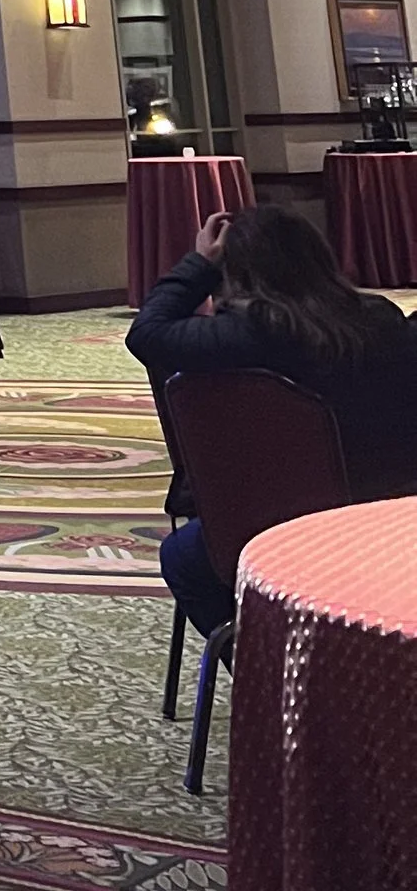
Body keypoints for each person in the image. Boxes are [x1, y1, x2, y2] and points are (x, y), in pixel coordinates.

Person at [127, 204, 417, 632]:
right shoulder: (380, 318)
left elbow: (147, 333)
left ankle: (269, 671)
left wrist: (200, 264)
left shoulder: (248, 334)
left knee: (183, 557)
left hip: (286, 521)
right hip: (392, 510)